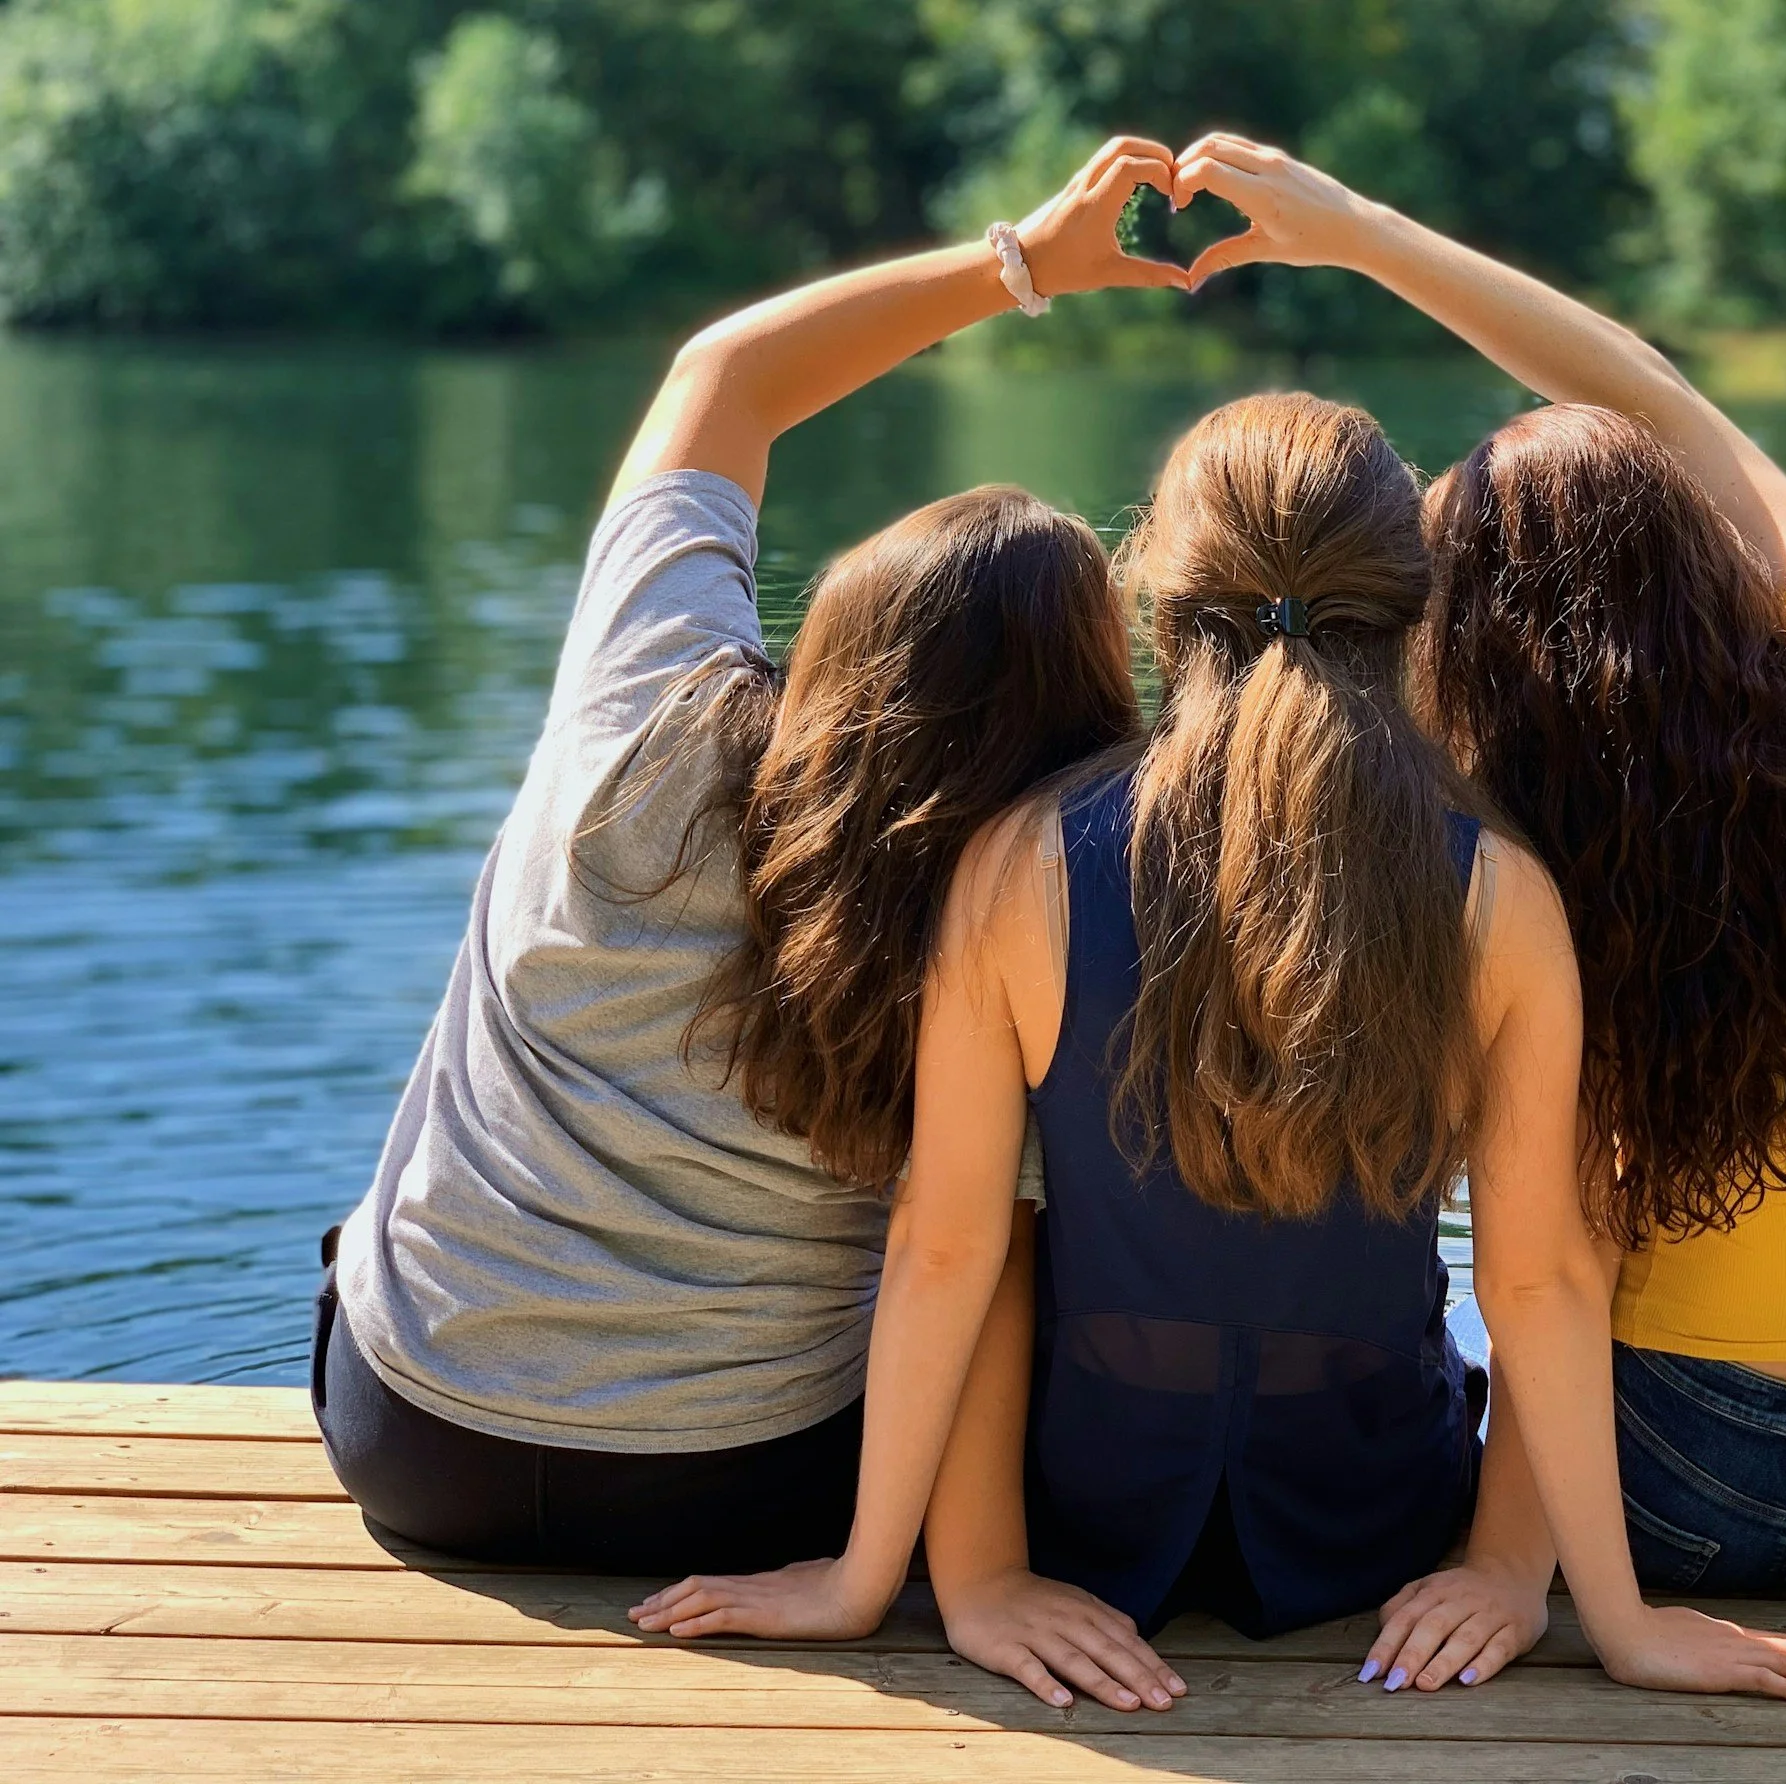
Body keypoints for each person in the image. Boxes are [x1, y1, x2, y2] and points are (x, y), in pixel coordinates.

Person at [630, 384, 1786, 1712]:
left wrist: (889, 1579)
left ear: (1161, 599)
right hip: (1372, 1525)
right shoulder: (1503, 891)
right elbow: (1544, 1282)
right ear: (1412, 609)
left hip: (1081, 1521)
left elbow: (947, 1242)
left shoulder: (1018, 864)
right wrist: (1577, 1601)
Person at [1163, 137, 1786, 1687]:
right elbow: (1650, 391)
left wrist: (1515, 1561)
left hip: (1664, 1494)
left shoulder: (1529, 868)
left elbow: (1548, 1263)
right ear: (1709, 561)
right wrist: (1363, 231)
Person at [315, 137, 1185, 1576]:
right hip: (748, 1490)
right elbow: (978, 1265)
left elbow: (722, 376)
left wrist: (1019, 262)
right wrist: (972, 1581)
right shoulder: (1030, 905)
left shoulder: (639, 710)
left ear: (840, 628)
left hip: (417, 1442)